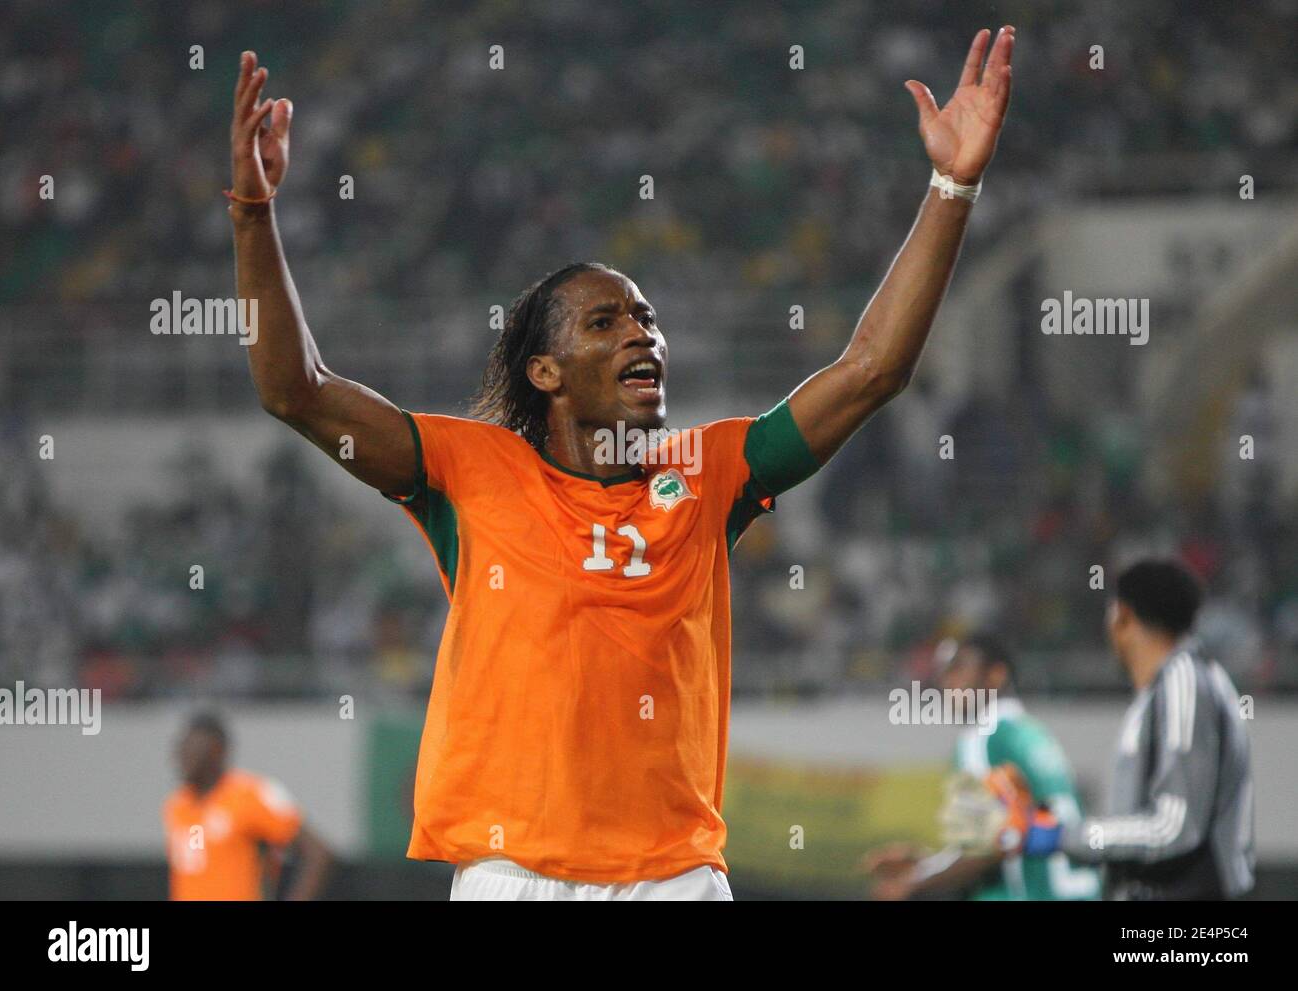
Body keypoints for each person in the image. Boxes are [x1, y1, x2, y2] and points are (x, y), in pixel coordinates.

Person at [225, 26, 1016, 899]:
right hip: (511, 872)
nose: (642, 333)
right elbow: (297, 390)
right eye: (606, 322)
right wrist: (254, 217)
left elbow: (872, 370)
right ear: (545, 371)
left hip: (669, 879)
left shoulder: (710, 470)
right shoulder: (467, 468)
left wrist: (953, 185)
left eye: (647, 319)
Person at [998, 561, 1255, 900]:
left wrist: (1065, 836)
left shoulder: (1184, 683)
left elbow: (1174, 826)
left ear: (1122, 615)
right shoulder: (1164, 689)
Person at [866, 634, 1099, 900]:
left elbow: (988, 843)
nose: (948, 681)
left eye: (959, 668)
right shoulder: (1029, 732)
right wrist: (926, 864)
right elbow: (1014, 830)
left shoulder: (985, 735)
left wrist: (913, 880)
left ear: (995, 675)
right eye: (943, 673)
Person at [163, 711, 332, 900]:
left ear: (217, 751)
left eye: (193, 751)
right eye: (182, 751)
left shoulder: (250, 794)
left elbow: (317, 853)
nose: (183, 759)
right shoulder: (177, 804)